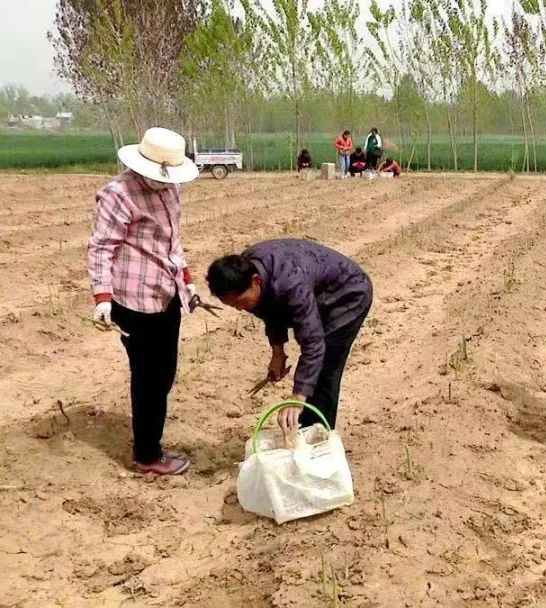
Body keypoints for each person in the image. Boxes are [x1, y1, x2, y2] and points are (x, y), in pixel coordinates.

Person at [88, 127, 201, 476]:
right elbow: (102, 246)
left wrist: (188, 281)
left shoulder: (171, 191)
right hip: (133, 299)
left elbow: (172, 245)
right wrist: (102, 296)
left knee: (164, 374)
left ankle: (149, 441)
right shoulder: (118, 194)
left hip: (166, 295)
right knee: (148, 377)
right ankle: (147, 456)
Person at [207, 240, 373, 433]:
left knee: (325, 367)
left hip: (348, 293)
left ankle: (318, 435)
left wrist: (298, 397)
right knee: (314, 372)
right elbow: (270, 308)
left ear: (256, 281)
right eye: (231, 305)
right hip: (316, 289)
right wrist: (278, 353)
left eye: (240, 302)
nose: (238, 308)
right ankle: (305, 426)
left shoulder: (291, 285)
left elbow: (313, 342)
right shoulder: (246, 269)